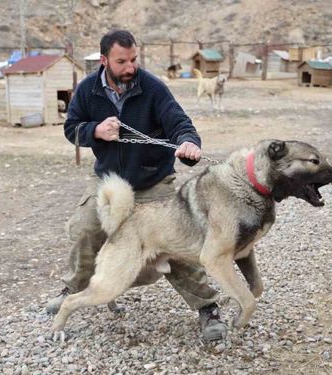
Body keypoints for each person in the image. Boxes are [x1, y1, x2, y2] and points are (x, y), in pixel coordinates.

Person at [46, 30, 228, 341]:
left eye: (133, 60)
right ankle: (72, 289)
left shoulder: (153, 87)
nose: (130, 67)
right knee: (86, 228)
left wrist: (188, 142)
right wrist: (96, 131)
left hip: (153, 181)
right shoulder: (88, 90)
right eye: (121, 61)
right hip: (109, 180)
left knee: (176, 240)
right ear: (104, 61)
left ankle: (207, 307)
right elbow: (71, 129)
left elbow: (178, 122)